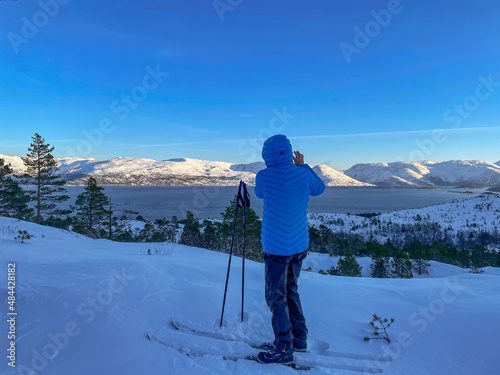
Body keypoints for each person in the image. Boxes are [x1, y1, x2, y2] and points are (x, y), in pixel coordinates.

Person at [254, 134, 325, 365]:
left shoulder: (263, 176)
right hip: (297, 246)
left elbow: (259, 194)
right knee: (291, 290)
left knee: (276, 295)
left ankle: (283, 347)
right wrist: (303, 166)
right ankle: (299, 339)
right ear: (289, 151)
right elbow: (319, 189)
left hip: (276, 249)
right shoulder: (303, 174)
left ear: (267, 155)